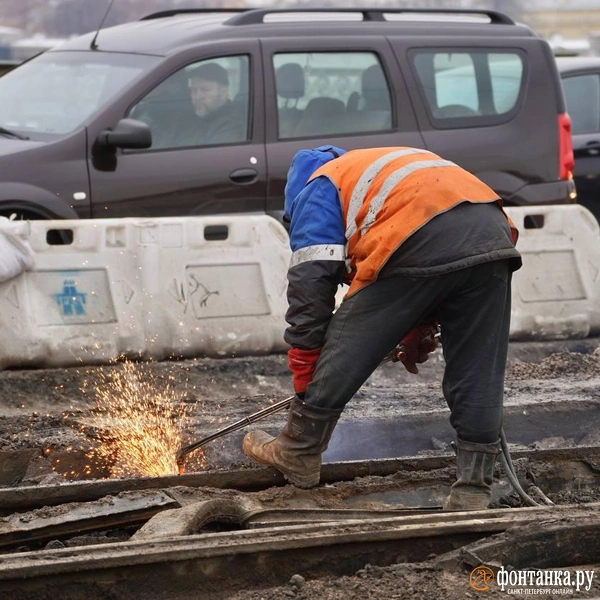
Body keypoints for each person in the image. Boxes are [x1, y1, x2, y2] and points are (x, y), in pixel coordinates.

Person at [242, 145, 522, 511]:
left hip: (417, 236)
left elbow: (311, 289)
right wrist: (417, 325)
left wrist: (307, 366)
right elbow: (442, 262)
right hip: (491, 235)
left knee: (344, 342)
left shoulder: (318, 187)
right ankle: (473, 488)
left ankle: (299, 448)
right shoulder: (380, 170)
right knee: (478, 369)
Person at [186, 62, 245, 145]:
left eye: (205, 90)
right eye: (194, 90)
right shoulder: (194, 118)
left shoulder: (231, 125)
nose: (197, 96)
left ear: (223, 92)